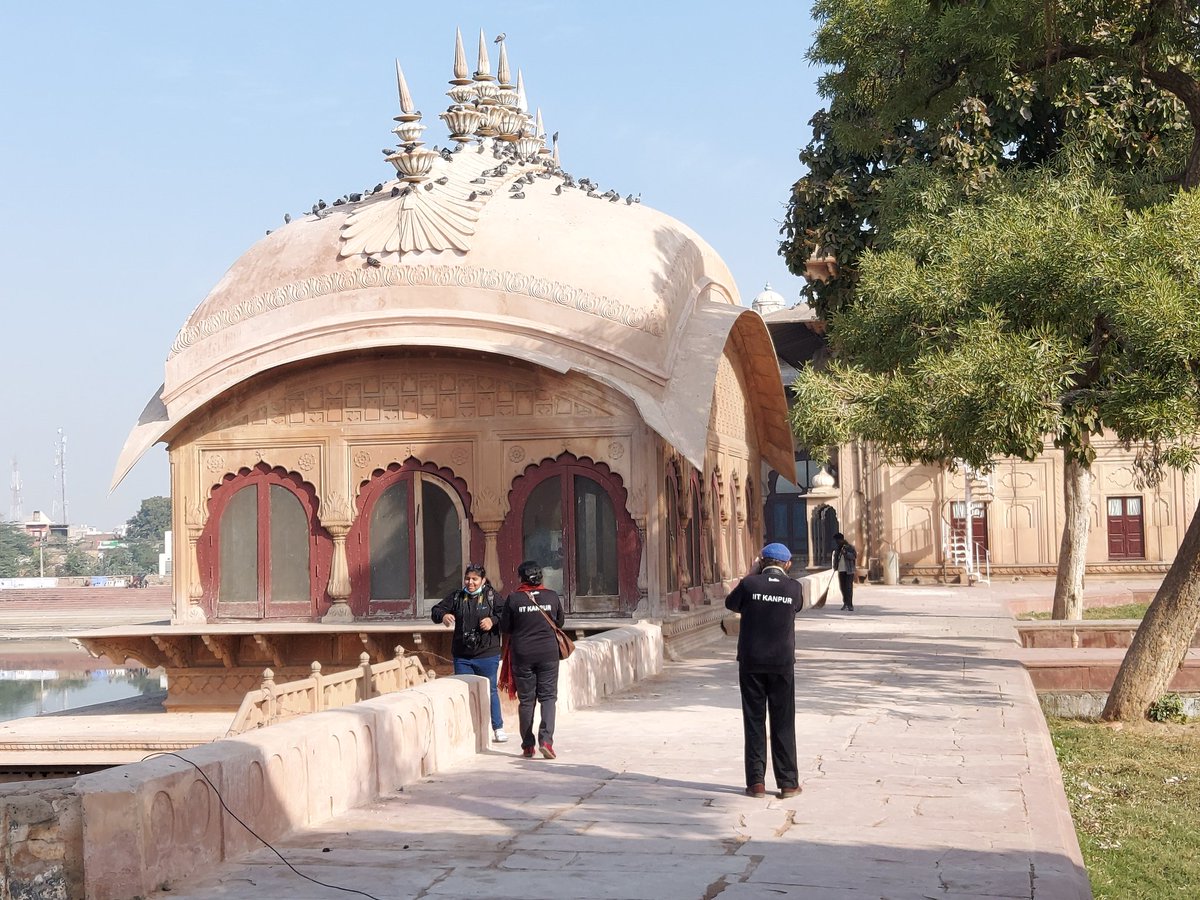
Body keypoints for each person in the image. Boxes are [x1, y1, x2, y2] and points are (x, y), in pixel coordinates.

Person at [725, 542, 805, 799]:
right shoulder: (794, 588)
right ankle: (789, 783)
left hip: (751, 662)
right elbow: (798, 607)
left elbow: (731, 603)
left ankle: (756, 783)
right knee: (783, 722)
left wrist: (750, 574)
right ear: (788, 564)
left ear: (761, 561)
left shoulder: (750, 586)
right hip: (782, 664)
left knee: (754, 721)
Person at [431, 563, 508, 743]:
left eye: (474, 579)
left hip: (487, 654)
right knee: (463, 692)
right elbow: (436, 610)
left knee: (490, 690)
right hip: (463, 656)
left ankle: (497, 727)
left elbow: (506, 615)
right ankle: (467, 730)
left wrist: (493, 620)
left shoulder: (491, 596)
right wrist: (443, 616)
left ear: (483, 580)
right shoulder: (458, 596)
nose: (470, 582)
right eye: (467, 579)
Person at [499, 559, 565, 759]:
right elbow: (560, 622)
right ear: (541, 578)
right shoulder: (552, 597)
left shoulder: (513, 599)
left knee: (527, 701)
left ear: (521, 578)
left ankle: (528, 745)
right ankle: (546, 741)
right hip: (548, 654)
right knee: (548, 698)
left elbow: (505, 628)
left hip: (522, 655)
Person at [832, 532, 858, 611]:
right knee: (842, 587)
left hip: (849, 570)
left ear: (841, 540)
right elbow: (836, 558)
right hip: (841, 570)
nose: (837, 542)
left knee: (848, 588)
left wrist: (846, 553)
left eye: (837, 540)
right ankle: (845, 603)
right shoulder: (838, 549)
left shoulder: (849, 547)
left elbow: (854, 556)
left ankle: (850, 605)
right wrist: (835, 566)